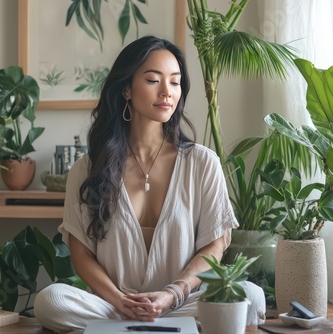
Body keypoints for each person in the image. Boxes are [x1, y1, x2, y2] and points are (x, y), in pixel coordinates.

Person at [34, 35, 265, 332]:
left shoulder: (202, 163)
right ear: (127, 89)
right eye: (154, 80)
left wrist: (172, 294)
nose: (167, 92)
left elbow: (214, 246)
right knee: (51, 300)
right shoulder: (88, 169)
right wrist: (120, 301)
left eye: (175, 82)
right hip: (114, 307)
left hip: (182, 303)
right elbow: (81, 255)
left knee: (252, 297)